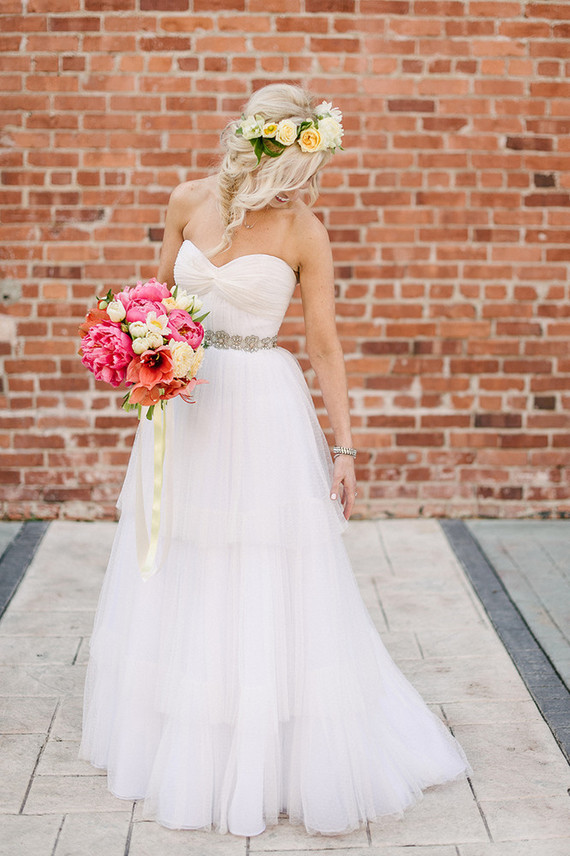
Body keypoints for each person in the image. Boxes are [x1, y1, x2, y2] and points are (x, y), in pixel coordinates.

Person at [79, 83, 472, 837]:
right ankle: (183, 729)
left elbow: (324, 344)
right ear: (259, 146)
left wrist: (345, 447)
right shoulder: (187, 200)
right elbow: (156, 298)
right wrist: (137, 347)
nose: (300, 178)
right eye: (292, 162)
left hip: (261, 406)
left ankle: (264, 739)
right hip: (187, 403)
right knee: (185, 552)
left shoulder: (304, 231)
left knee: (257, 561)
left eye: (306, 165)